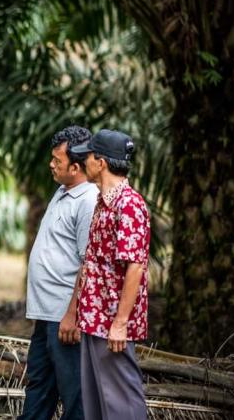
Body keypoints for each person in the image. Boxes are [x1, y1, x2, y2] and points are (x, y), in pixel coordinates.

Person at [69, 129, 150, 420]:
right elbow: (92, 262)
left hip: (112, 321)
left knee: (122, 404)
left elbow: (135, 266)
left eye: (88, 155)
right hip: (94, 317)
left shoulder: (128, 204)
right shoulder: (104, 203)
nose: (84, 161)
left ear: (100, 162)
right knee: (98, 403)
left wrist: (120, 323)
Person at [20, 126, 98, 420]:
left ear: (76, 167)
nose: (51, 164)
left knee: (74, 394)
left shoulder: (88, 201)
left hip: (65, 317)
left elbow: (88, 262)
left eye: (57, 160)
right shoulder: (63, 191)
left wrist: (73, 314)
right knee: (39, 385)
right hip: (46, 314)